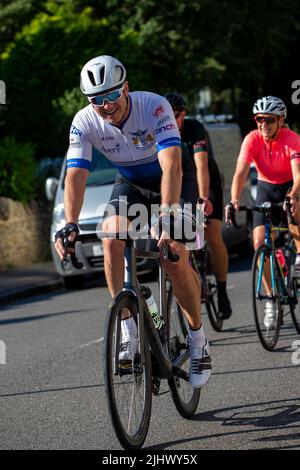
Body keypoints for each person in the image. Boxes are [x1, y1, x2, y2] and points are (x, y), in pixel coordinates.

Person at [54, 55, 211, 388]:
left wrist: (167, 215)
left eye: (112, 95)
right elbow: (76, 174)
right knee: (110, 237)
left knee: (173, 256)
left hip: (171, 183)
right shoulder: (83, 122)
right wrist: (69, 222)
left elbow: (171, 166)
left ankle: (198, 340)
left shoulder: (153, 106)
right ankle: (128, 329)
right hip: (130, 184)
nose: (106, 105)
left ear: (126, 88)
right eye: (97, 100)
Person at [228, 95, 300, 327]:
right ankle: (271, 298)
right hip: (266, 188)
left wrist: (292, 195)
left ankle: (298, 260)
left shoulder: (292, 139)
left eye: (269, 120)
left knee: (294, 217)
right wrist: (234, 200)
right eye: (259, 119)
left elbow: (298, 175)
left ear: (281, 120)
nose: (264, 124)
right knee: (259, 243)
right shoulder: (252, 139)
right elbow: (240, 173)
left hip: (291, 186)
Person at [165, 92, 232, 320]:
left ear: (183, 115)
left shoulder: (194, 129)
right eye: (166, 116)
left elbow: (201, 165)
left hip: (207, 182)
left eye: (175, 116)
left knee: (213, 234)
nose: (170, 121)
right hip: (181, 184)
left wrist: (203, 198)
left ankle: (222, 291)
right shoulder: (159, 130)